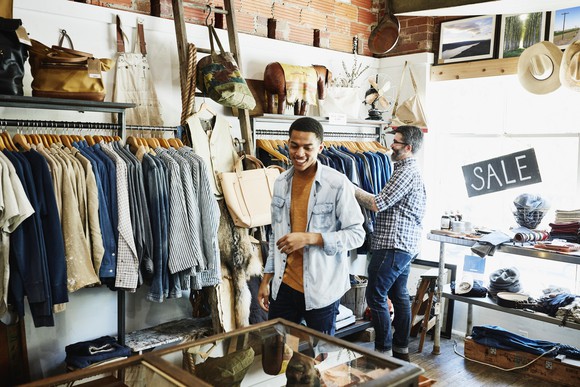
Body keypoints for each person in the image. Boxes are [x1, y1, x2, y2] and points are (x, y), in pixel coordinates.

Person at [258, 117, 365, 336]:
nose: (299, 153)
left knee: (319, 360)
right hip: (283, 287)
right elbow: (274, 236)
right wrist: (266, 279)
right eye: (294, 146)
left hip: (321, 290)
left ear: (320, 148)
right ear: (288, 144)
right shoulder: (280, 182)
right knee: (279, 353)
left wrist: (310, 238)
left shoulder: (337, 183)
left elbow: (357, 234)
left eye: (308, 147)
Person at [353, 125, 426, 361]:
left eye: (396, 142)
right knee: (399, 295)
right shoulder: (405, 169)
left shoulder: (406, 172)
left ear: (408, 147)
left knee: (375, 295)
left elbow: (378, 203)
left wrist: (351, 189)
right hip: (403, 244)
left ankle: (383, 351)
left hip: (393, 244)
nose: (390, 145)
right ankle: (400, 350)